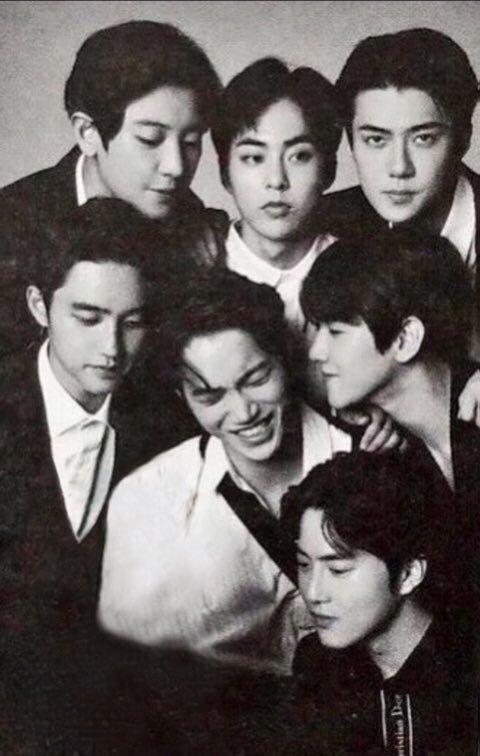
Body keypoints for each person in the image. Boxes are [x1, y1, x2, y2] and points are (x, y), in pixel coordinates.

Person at [0, 197, 198, 748]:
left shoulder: (170, 425)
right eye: (87, 319)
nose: (111, 348)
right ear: (39, 306)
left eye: (132, 323)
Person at [98, 269, 353, 675]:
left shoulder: (369, 457)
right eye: (210, 395)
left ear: (285, 361)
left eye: (256, 379)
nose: (244, 412)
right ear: (182, 396)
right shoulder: (147, 497)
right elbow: (128, 664)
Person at [0, 20, 227, 356]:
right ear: (87, 133)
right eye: (150, 139)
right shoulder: (9, 227)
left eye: (192, 141)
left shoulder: (196, 225)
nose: (176, 166)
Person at [301, 232, 480, 654]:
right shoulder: (388, 455)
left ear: (405, 339)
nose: (316, 351)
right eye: (317, 329)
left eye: (336, 331)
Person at [279, 451, 477, 755]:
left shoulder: (467, 675)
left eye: (338, 570)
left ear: (409, 574)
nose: (314, 592)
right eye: (304, 565)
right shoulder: (317, 663)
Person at [322, 28, 480, 350]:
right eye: (375, 140)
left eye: (423, 138)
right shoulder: (323, 225)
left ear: (463, 139)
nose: (399, 168)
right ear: (351, 142)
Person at [211, 57, 340, 343]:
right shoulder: (196, 269)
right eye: (253, 158)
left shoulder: (359, 272)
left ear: (329, 170)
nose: (276, 180)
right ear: (225, 173)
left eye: (299, 156)